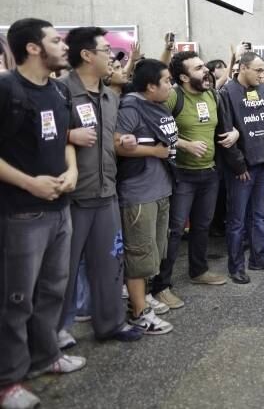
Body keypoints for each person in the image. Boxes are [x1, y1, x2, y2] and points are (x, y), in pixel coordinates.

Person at [0, 18, 84, 409]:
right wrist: (30, 183)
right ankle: (8, 380)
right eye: (55, 40)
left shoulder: (58, 90)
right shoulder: (7, 90)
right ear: (33, 48)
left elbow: (65, 138)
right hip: (21, 214)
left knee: (52, 289)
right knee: (15, 299)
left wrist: (72, 170)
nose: (64, 46)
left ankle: (45, 355)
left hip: (59, 208)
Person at [58, 27, 143, 347]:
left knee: (110, 263)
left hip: (107, 192)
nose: (112, 57)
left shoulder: (110, 96)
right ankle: (56, 331)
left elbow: (109, 139)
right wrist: (69, 135)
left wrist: (123, 141)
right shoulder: (61, 92)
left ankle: (110, 323)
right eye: (106, 50)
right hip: (72, 196)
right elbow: (40, 137)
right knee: (63, 270)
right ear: (86, 55)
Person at [149, 51, 239, 307]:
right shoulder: (173, 97)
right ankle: (161, 286)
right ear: (184, 77)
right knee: (175, 230)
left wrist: (234, 133)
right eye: (198, 68)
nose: (205, 70)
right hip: (181, 174)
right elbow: (154, 126)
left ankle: (198, 271)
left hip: (209, 172)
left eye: (203, 66)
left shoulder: (211, 94)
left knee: (202, 225)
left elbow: (226, 125)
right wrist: (184, 144)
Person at [115, 58, 178, 335]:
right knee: (139, 253)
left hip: (161, 188)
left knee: (154, 251)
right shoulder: (131, 107)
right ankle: (139, 312)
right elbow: (118, 145)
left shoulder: (158, 105)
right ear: (151, 86)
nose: (170, 85)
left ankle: (142, 297)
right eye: (166, 81)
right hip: (139, 193)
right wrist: (154, 152)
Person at [218, 52, 264, 284]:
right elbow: (225, 132)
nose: (262, 74)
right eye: (258, 70)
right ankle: (236, 267)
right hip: (242, 168)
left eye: (263, 70)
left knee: (259, 215)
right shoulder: (227, 93)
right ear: (243, 68)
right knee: (236, 221)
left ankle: (258, 258)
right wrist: (238, 165)